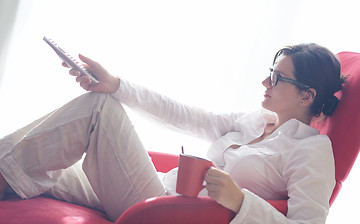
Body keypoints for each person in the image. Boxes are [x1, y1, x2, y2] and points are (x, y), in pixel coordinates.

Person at [0, 43, 346, 223]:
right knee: (45, 161)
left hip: (163, 213)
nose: (265, 82)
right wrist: (117, 84)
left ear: (307, 96)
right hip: (157, 188)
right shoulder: (256, 120)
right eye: (270, 72)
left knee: (99, 108)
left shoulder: (310, 152)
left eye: (277, 78)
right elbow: (186, 115)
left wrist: (241, 202)